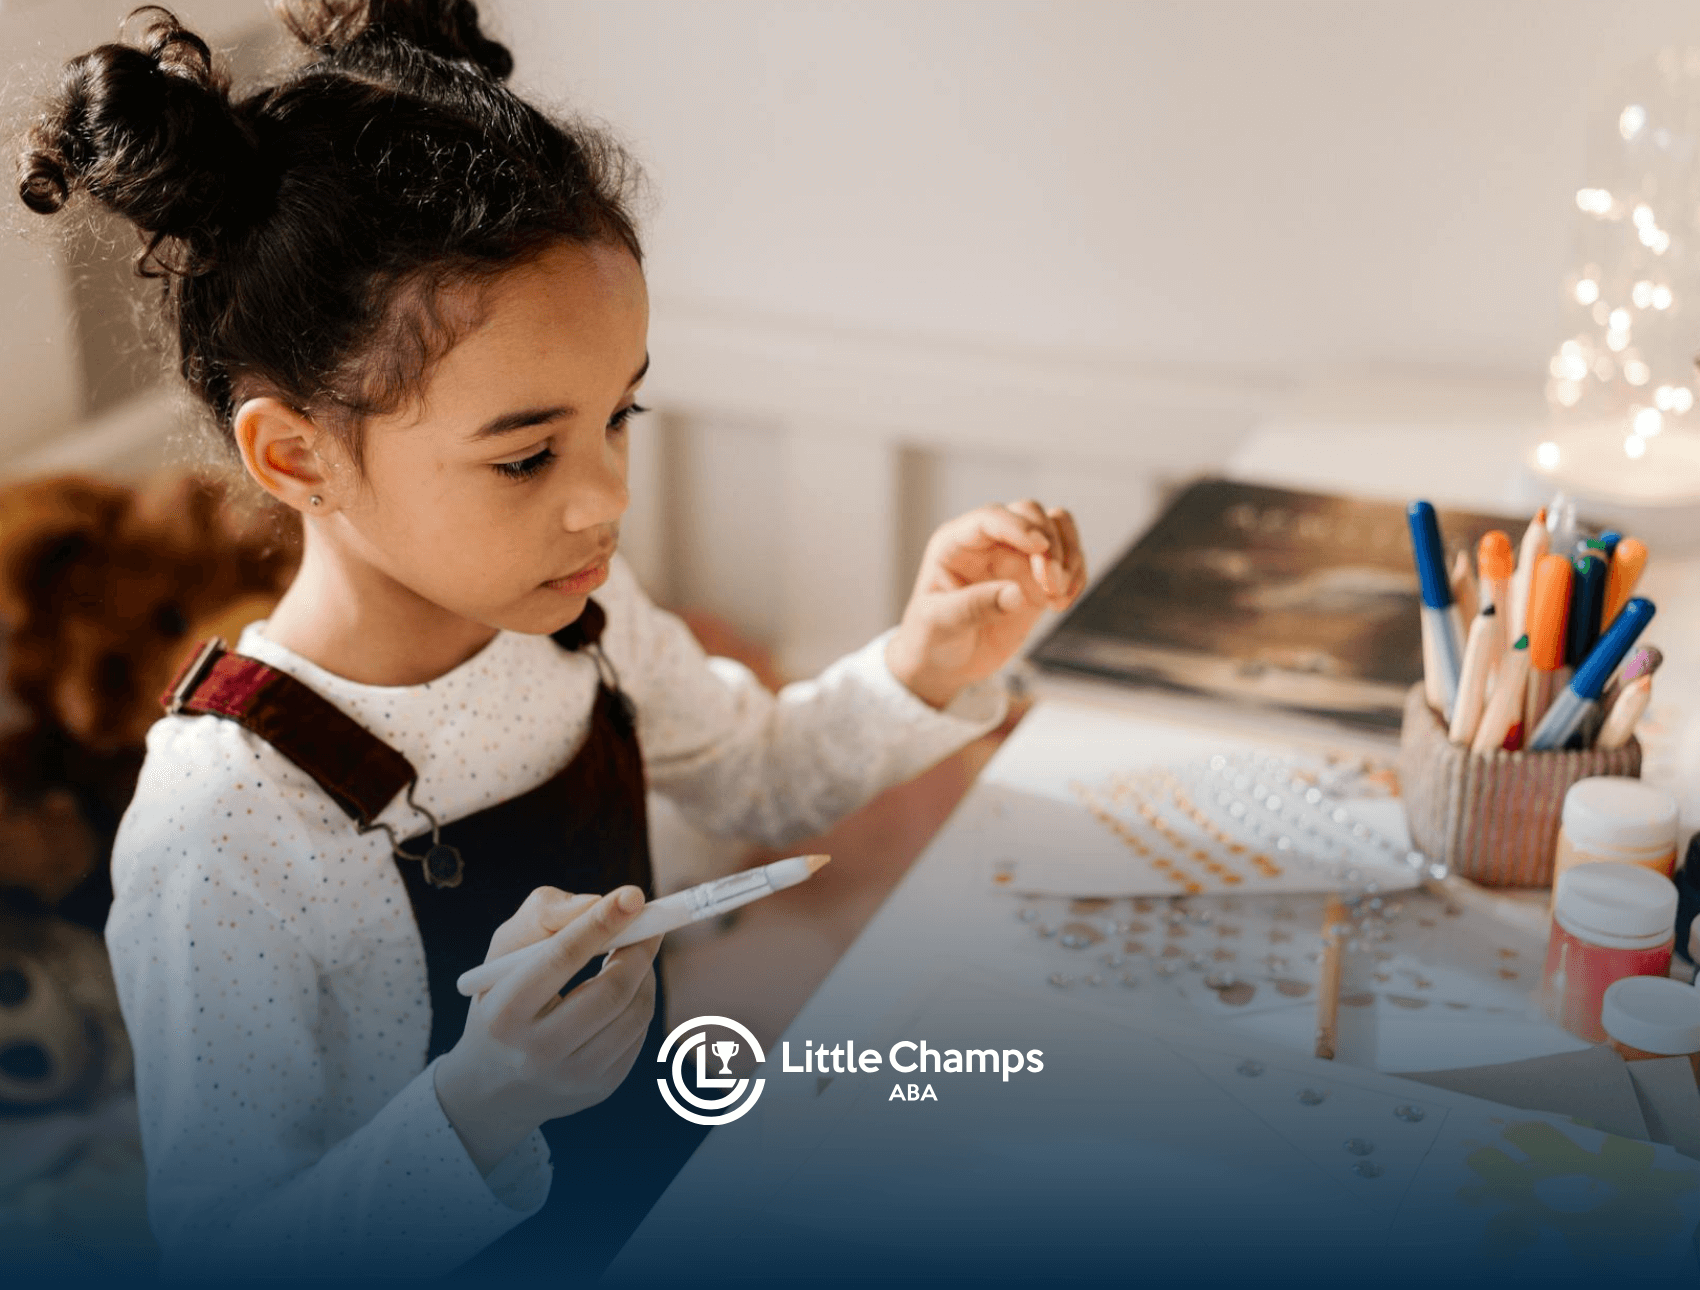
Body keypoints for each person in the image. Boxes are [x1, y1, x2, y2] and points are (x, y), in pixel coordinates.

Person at [16, 1, 1088, 1279]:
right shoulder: (226, 826)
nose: (606, 499)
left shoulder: (576, 614)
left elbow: (756, 777)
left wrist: (924, 658)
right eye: (526, 455)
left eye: (616, 419)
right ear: (295, 454)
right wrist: (480, 1104)